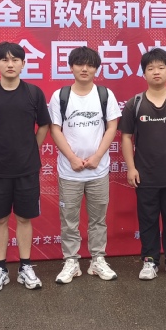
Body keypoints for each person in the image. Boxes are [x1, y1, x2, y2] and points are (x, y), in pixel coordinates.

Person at [0, 42, 51, 292]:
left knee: (24, 218)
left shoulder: (34, 93)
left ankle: (25, 267)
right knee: (1, 218)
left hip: (27, 168)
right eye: (4, 60)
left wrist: (31, 149)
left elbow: (44, 125)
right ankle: (1, 269)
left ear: (23, 63)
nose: (10, 64)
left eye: (15, 59)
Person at [119, 48, 166, 280]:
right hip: (145, 174)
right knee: (148, 219)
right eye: (150, 68)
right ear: (143, 73)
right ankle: (150, 261)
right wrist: (131, 168)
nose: (156, 72)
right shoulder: (135, 103)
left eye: (161, 67)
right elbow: (126, 137)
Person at [48, 46, 121, 284]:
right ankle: (71, 261)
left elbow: (112, 126)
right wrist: (71, 158)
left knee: (98, 219)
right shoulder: (60, 96)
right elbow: (55, 129)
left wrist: (98, 156)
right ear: (71, 67)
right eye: (79, 64)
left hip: (98, 170)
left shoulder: (105, 94)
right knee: (69, 220)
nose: (84, 69)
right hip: (69, 171)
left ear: (96, 69)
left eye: (90, 65)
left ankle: (98, 260)